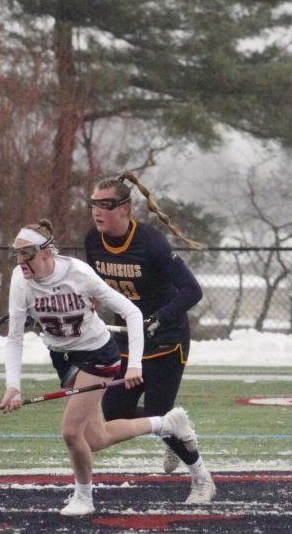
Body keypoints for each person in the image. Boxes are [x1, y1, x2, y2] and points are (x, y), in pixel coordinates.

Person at [0, 219, 199, 516]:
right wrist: (12, 386)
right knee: (96, 438)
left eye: (26, 253)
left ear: (47, 252)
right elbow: (14, 338)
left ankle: (84, 498)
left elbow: (131, 312)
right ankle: (166, 424)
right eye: (16, 254)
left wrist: (133, 366)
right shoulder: (19, 280)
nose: (20, 261)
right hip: (64, 358)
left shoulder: (78, 273)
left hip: (98, 355)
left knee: (70, 432)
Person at [84, 171, 216, 504]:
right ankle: (172, 427)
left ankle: (202, 478)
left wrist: (159, 318)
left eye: (106, 204)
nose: (98, 211)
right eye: (93, 204)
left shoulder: (151, 243)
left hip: (166, 340)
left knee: (158, 407)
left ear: (126, 209)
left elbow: (192, 291)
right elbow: (96, 288)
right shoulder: (92, 240)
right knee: (113, 415)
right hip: (128, 340)